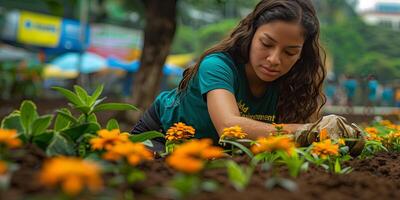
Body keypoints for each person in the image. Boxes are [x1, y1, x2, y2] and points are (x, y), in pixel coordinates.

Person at [131, 0, 363, 152]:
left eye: (290, 52)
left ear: (301, 55)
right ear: (251, 35)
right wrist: (310, 131)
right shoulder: (218, 66)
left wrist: (344, 139)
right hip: (161, 138)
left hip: (219, 154)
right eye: (267, 43)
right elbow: (228, 127)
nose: (274, 59)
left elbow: (307, 134)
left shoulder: (295, 83)